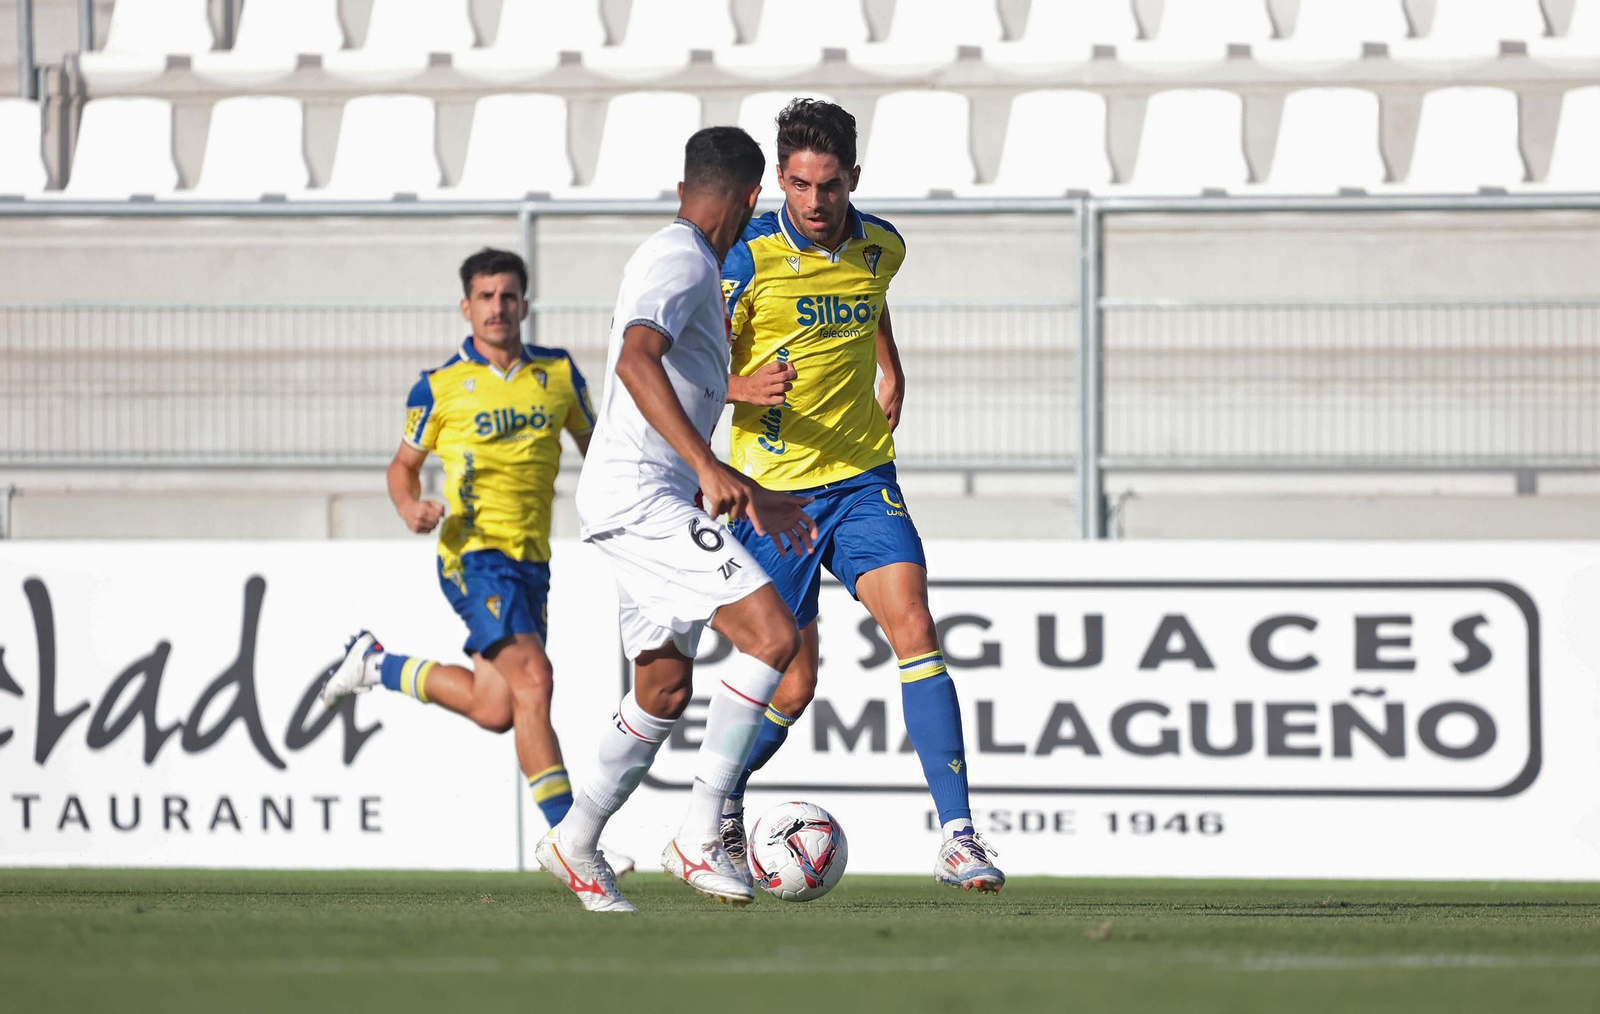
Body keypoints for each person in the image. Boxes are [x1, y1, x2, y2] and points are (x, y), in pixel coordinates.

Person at [719, 99, 1005, 893]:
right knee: (797, 681)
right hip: (772, 495)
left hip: (861, 477)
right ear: (780, 178)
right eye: (802, 185)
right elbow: (686, 370)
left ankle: (958, 836)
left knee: (915, 628)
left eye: (832, 186)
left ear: (853, 180)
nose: (816, 202)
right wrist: (741, 384)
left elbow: (866, 301)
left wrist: (891, 364)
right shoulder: (743, 258)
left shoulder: (883, 246)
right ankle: (717, 809)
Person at [535, 126, 818, 913]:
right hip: (642, 494)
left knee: (661, 689)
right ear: (753, 196)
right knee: (772, 637)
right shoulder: (683, 256)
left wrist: (743, 488)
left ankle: (576, 840)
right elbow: (634, 359)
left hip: (650, 493)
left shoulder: (685, 256)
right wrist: (705, 467)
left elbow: (676, 382)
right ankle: (699, 835)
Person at [321, 248, 619, 863]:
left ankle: (378, 665)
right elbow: (402, 470)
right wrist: (409, 508)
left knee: (496, 708)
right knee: (535, 680)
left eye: (508, 296)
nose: (497, 308)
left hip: (532, 560)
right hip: (472, 556)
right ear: (466, 307)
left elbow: (600, 453)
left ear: (525, 305)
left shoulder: (558, 374)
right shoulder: (438, 386)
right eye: (485, 297)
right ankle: (574, 843)